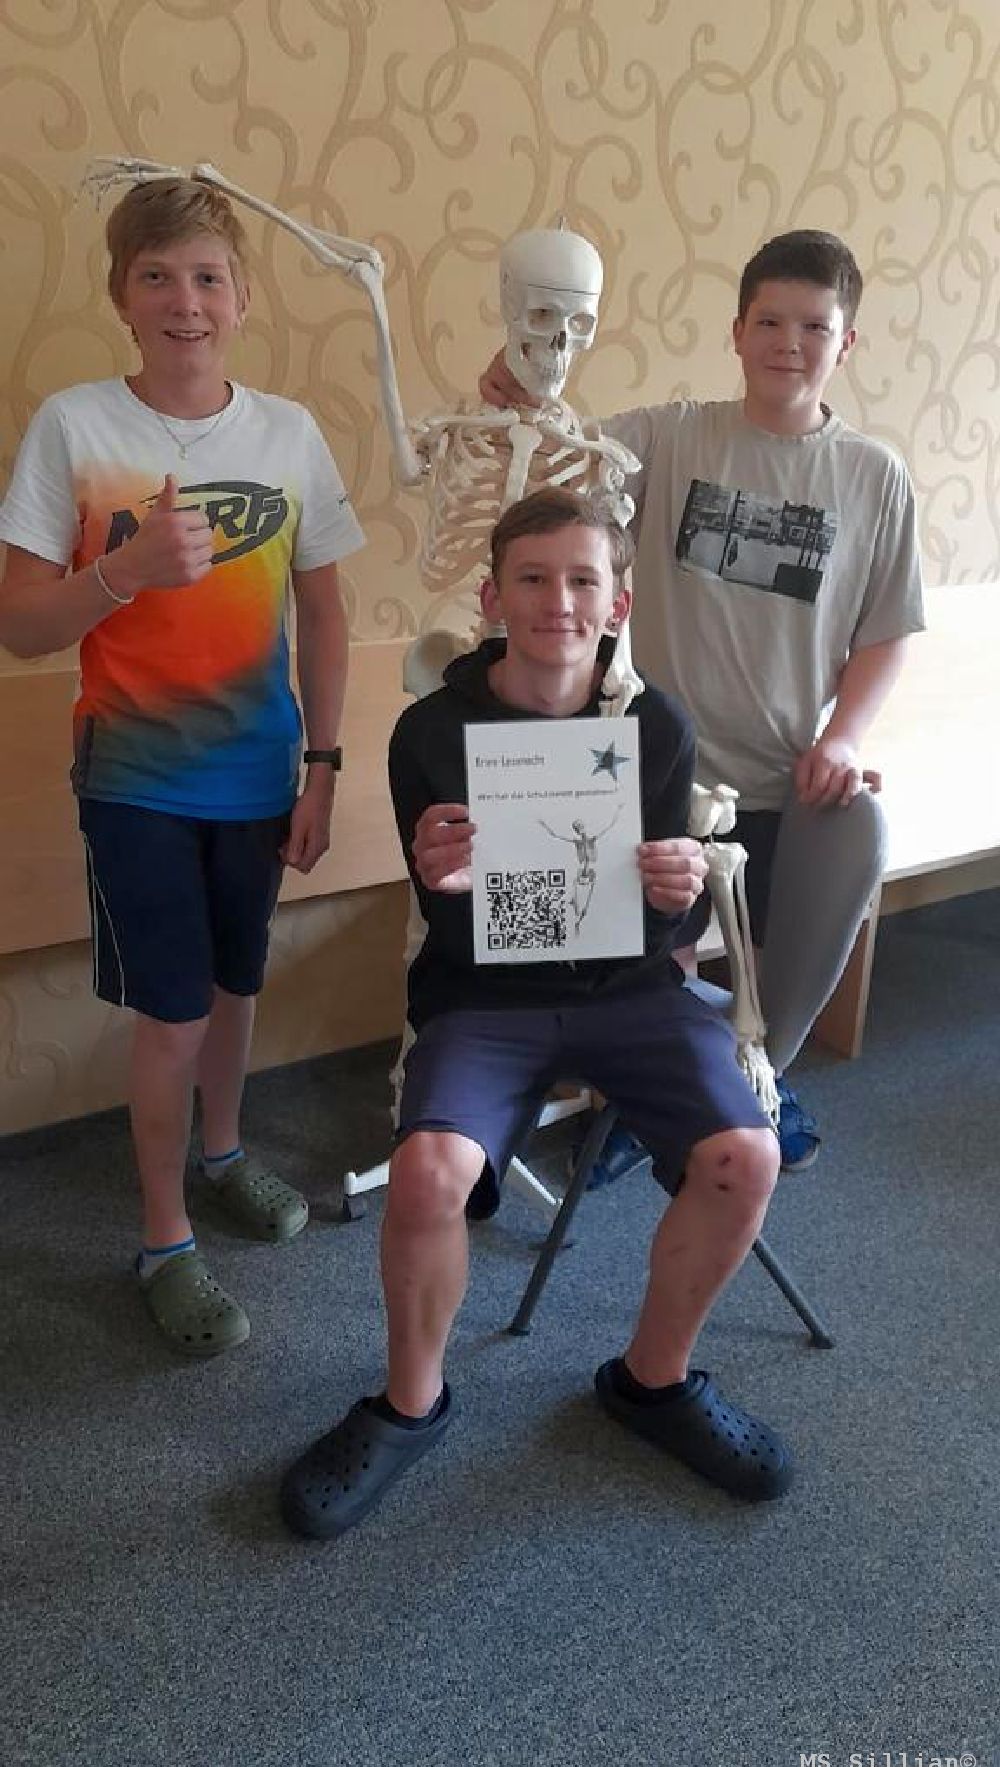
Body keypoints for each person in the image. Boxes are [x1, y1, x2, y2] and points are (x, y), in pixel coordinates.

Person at [280, 487, 789, 1541]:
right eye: (533, 578)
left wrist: (680, 890)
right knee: (428, 1175)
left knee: (747, 1156)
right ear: (492, 596)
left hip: (628, 992)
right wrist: (437, 875)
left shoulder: (654, 725)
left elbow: (662, 915)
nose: (558, 600)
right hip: (487, 996)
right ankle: (409, 1403)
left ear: (616, 603)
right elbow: (445, 915)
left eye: (581, 580)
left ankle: (653, 1380)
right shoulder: (433, 729)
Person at [0, 176, 364, 1356]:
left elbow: (325, 612)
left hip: (259, 777)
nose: (185, 300)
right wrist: (125, 571)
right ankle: (164, 1239)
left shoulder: (288, 433)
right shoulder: (74, 426)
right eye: (156, 275)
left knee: (235, 987)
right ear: (121, 295)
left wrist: (322, 765)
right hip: (136, 781)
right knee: (171, 1013)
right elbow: (20, 622)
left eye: (208, 276)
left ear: (242, 297)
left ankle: (223, 1153)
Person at [479, 229, 926, 1174]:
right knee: (655, 962)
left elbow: (887, 631)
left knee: (763, 967)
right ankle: (642, 1106)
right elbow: (562, 464)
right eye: (769, 321)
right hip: (647, 769)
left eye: (815, 326)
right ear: (737, 331)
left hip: (777, 779)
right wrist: (519, 390)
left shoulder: (874, 478)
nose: (789, 343)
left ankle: (751, 1081)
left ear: (846, 343)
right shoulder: (667, 437)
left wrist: (845, 738)